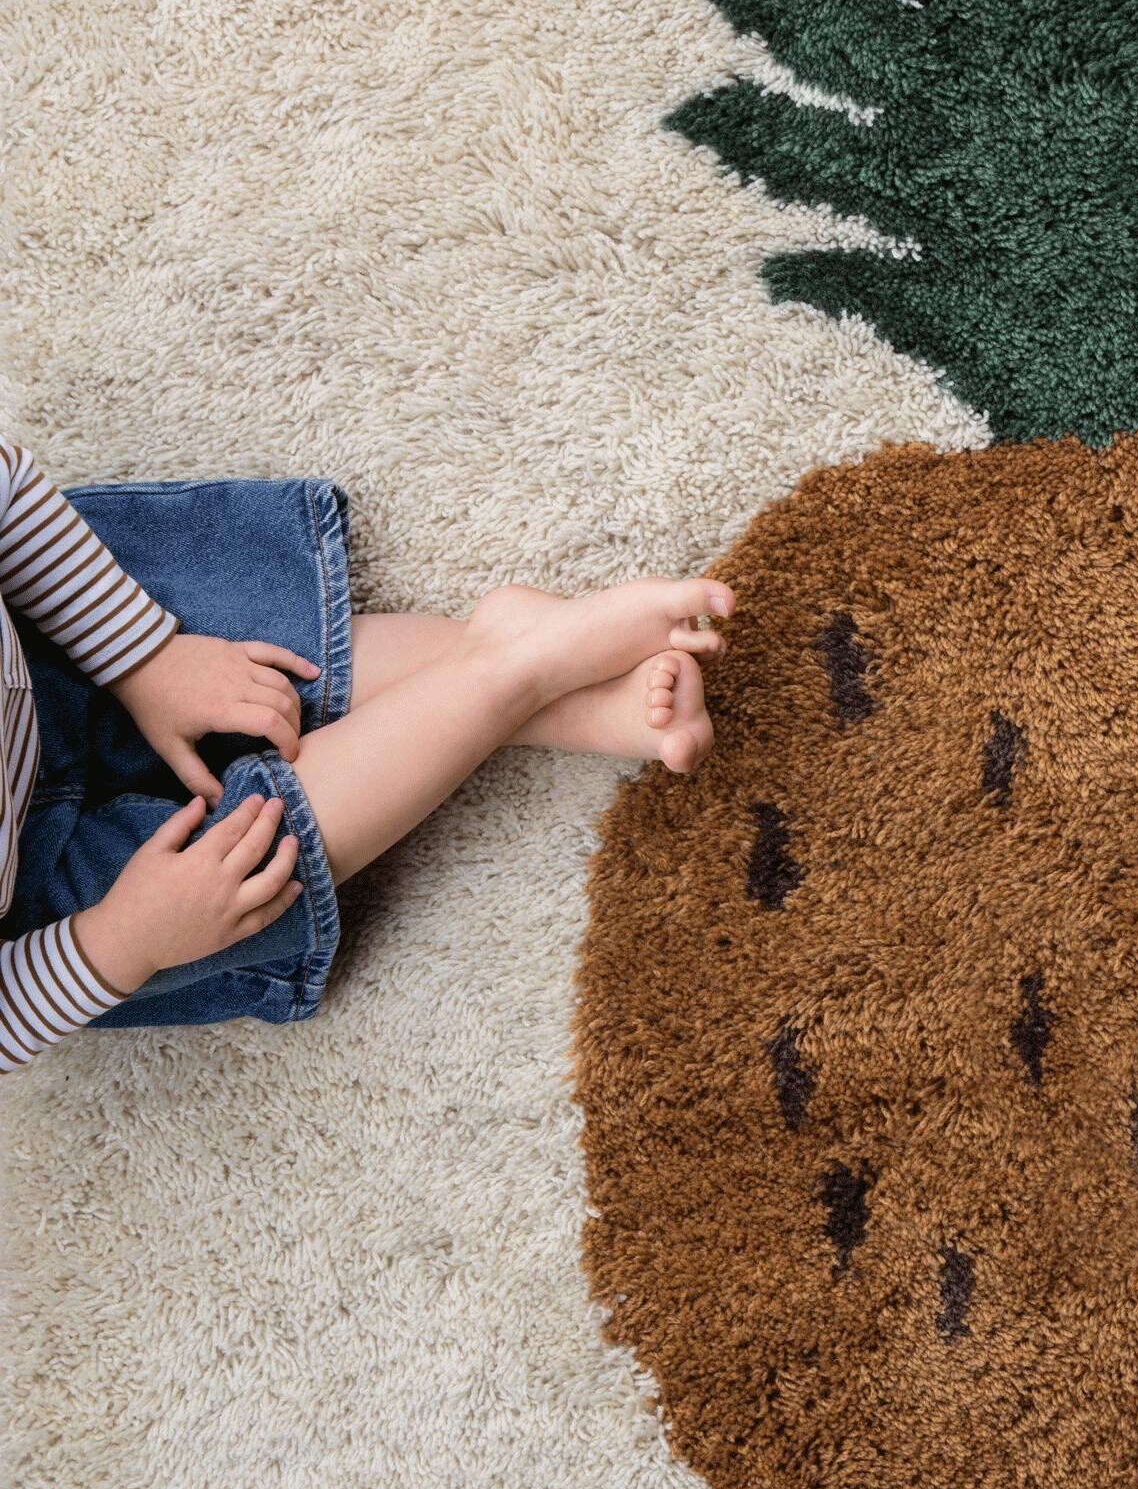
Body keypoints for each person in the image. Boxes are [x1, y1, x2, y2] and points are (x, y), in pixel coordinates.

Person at [0, 439, 729, 1068]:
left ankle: (530, 678)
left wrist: (143, 657)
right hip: (53, 921)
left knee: (244, 669)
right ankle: (520, 675)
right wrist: (123, 940)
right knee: (247, 867)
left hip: (50, 642)